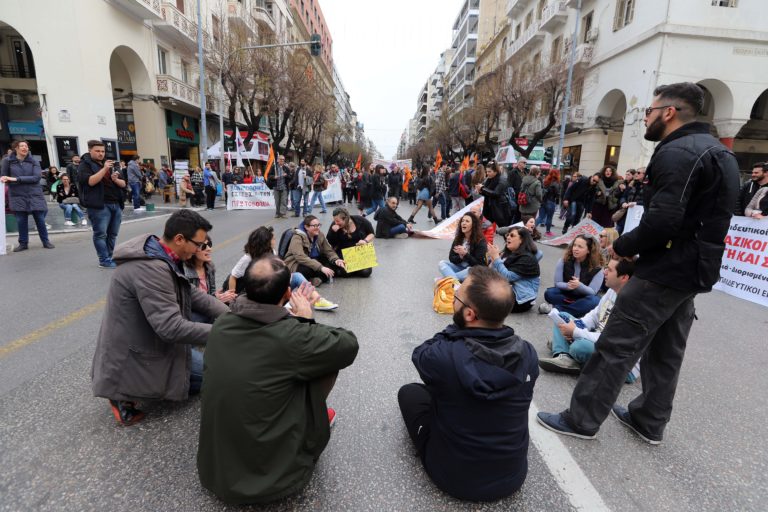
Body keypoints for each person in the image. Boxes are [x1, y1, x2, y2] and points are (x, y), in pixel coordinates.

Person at [537, 82, 740, 444]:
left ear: (669, 112)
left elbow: (664, 220)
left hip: (665, 269)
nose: (645, 117)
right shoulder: (719, 153)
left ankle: (581, 420)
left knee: (615, 346)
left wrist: (622, 245)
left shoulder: (677, 152)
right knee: (667, 350)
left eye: (649, 110)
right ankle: (648, 420)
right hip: (694, 270)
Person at [197, 255, 358, 504]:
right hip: (272, 481)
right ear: (286, 293)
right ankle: (312, 417)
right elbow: (348, 345)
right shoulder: (292, 336)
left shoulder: (222, 324)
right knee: (326, 361)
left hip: (214, 472)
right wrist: (305, 320)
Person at [397, 266, 538, 502]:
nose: (453, 297)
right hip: (512, 476)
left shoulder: (443, 356)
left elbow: (420, 353)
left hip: (454, 479)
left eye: (456, 296)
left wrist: (456, 327)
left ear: (470, 314)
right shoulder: (529, 353)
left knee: (410, 392)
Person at [91, 210, 229, 425]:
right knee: (211, 377)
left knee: (206, 372)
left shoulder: (162, 255)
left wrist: (233, 317)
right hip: (133, 352)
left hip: (148, 337)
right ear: (179, 239)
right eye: (198, 244)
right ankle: (122, 393)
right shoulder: (151, 268)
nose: (199, 250)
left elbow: (193, 295)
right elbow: (171, 327)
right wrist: (228, 333)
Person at [538, 258, 639, 383]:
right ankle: (563, 356)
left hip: (619, 362)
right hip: (598, 341)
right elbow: (594, 315)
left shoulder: (633, 304)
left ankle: (567, 350)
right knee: (564, 316)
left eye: (610, 270)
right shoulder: (612, 291)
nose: (604, 272)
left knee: (580, 347)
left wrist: (575, 332)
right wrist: (577, 325)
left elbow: (609, 338)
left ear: (624, 277)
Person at [78, 140, 126, 267]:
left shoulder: (110, 164)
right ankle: (103, 260)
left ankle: (110, 257)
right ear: (90, 150)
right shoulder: (85, 165)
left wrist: (115, 179)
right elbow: (90, 182)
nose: (101, 153)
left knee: (113, 234)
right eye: (97, 151)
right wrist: (104, 169)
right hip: (99, 205)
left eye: (103, 151)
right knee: (100, 234)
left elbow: (123, 184)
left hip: (116, 203)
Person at [1, 141, 54, 251]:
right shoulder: (8, 161)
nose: (25, 148)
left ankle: (46, 241)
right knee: (21, 221)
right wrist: (5, 179)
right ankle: (23, 243)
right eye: (22, 146)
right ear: (16, 148)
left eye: (26, 146)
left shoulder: (34, 161)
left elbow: (36, 178)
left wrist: (16, 179)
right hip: (17, 195)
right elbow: (4, 176)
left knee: (40, 219)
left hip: (34, 194)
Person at [540, 235, 604, 317]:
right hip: (567, 294)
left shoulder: (597, 268)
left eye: (580, 247)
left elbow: (592, 292)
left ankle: (556, 310)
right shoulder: (564, 260)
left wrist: (579, 285)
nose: (575, 249)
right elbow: (557, 283)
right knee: (549, 293)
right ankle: (576, 308)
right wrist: (568, 286)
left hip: (584, 297)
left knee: (595, 301)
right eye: (574, 245)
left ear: (589, 250)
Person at [487, 226, 540, 313]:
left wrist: (496, 259)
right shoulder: (510, 253)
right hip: (508, 289)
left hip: (521, 299)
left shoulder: (527, 258)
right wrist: (493, 260)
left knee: (483, 296)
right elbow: (491, 274)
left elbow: (508, 277)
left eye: (512, 235)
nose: (508, 237)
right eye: (507, 235)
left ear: (521, 240)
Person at [284, 215, 347, 286]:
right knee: (307, 270)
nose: (317, 228)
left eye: (319, 225)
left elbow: (328, 250)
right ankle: (316, 279)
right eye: (314, 226)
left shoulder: (320, 234)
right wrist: (320, 267)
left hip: (313, 260)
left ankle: (318, 279)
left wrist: (336, 260)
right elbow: (300, 257)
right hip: (296, 263)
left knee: (331, 265)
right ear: (306, 227)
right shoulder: (297, 237)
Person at [183, 235, 237, 307]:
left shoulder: (209, 268)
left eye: (209, 244)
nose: (209, 249)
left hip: (207, 306)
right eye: (203, 246)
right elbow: (188, 303)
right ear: (192, 250)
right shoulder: (184, 273)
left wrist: (220, 296)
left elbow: (211, 293)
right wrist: (217, 299)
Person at [438, 212, 488, 282]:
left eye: (467, 221)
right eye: (463, 221)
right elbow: (451, 258)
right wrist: (460, 257)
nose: (463, 223)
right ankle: (454, 281)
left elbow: (479, 264)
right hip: (460, 268)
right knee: (442, 263)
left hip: (473, 269)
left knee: (470, 270)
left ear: (473, 225)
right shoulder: (459, 238)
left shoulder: (480, 241)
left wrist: (465, 254)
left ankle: (448, 279)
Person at [326, 207, 375, 277]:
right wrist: (333, 232)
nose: (335, 223)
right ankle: (350, 270)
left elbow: (371, 233)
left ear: (345, 219)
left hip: (359, 253)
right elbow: (330, 242)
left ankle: (354, 269)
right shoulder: (334, 225)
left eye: (338, 221)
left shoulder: (359, 220)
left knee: (366, 272)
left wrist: (365, 241)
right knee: (345, 272)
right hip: (344, 253)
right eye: (334, 220)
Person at [477, 162, 512, 228]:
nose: (487, 173)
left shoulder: (502, 179)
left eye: (489, 171)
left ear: (495, 171)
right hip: (489, 209)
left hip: (500, 209)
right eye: (486, 171)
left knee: (505, 230)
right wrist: (480, 190)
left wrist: (482, 188)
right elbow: (487, 192)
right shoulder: (488, 179)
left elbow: (496, 193)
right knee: (485, 229)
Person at [538, 168, 561, 236]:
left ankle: (530, 229)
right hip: (551, 201)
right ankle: (548, 231)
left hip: (543, 201)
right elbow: (557, 194)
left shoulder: (546, 181)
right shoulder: (556, 183)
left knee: (540, 217)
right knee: (549, 217)